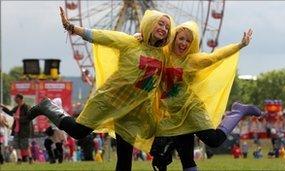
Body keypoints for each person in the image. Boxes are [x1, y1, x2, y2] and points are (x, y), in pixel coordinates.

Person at [27, 7, 173, 171]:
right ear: (149, 23)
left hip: (133, 112)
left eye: (167, 27)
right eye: (160, 24)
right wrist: (72, 27)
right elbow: (101, 36)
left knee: (126, 159)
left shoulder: (162, 55)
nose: (163, 29)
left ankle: (162, 161)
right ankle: (48, 107)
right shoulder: (129, 42)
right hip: (110, 100)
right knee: (78, 132)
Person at [148, 21, 261, 171]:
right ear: (173, 38)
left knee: (213, 140)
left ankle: (238, 111)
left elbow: (215, 56)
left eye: (189, 40)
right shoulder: (162, 55)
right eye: (181, 38)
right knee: (168, 159)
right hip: (172, 116)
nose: (184, 43)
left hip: (191, 110)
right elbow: (147, 47)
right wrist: (139, 36)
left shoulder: (192, 60)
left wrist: (240, 45)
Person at [0, 94, 33, 164]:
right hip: (16, 130)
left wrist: (19, 118)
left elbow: (28, 118)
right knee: (16, 145)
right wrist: (3, 107)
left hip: (24, 130)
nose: (15, 99)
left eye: (16, 98)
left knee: (25, 146)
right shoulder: (17, 107)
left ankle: (30, 158)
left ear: (20, 99)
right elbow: (10, 113)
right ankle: (19, 159)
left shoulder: (27, 107)